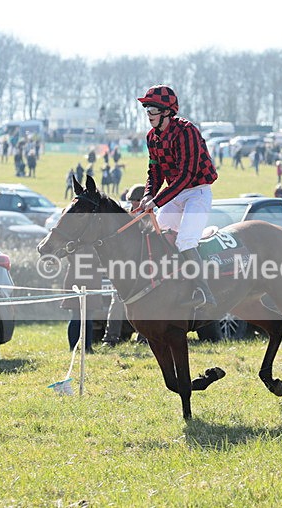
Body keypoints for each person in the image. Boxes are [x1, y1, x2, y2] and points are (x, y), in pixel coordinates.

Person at [136, 85, 218, 311]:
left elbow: (186, 175)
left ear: (166, 111)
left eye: (152, 109)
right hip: (175, 192)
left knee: (185, 241)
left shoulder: (187, 131)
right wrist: (148, 195)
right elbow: (154, 172)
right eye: (147, 109)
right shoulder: (151, 137)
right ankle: (166, 285)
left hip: (197, 191)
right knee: (157, 235)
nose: (148, 114)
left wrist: (158, 201)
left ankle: (204, 292)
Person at [101, 184, 144, 347]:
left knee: (143, 302)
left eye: (137, 201)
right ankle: (110, 338)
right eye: (132, 201)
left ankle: (143, 336)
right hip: (123, 266)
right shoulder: (123, 216)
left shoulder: (150, 214)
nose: (134, 204)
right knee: (117, 301)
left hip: (142, 265)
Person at [61, 244, 102, 352]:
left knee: (87, 316)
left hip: (89, 280)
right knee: (77, 315)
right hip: (79, 280)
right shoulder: (79, 244)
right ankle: (76, 346)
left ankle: (86, 346)